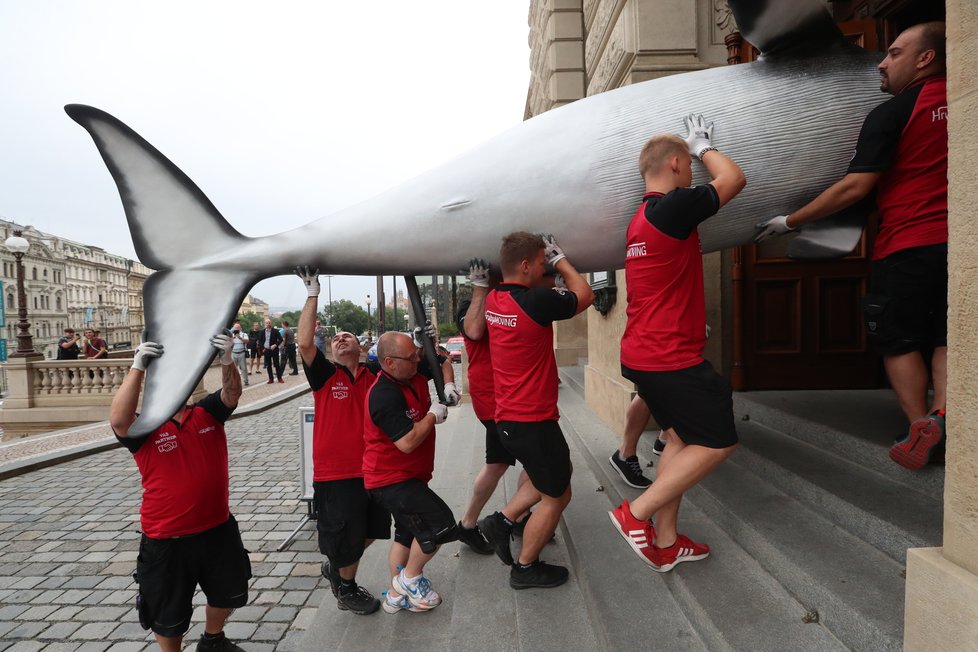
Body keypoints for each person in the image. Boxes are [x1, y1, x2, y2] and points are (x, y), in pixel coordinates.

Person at [754, 22, 948, 470]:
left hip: (907, 245)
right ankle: (943, 421)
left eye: (895, 53)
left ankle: (919, 426)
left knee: (898, 342)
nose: (881, 61)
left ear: (925, 59)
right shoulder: (962, 104)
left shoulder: (893, 113)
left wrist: (790, 220)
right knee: (945, 339)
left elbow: (855, 187)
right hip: (958, 247)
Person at [608, 114, 746, 572]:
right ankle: (637, 515)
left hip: (645, 353)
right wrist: (704, 146)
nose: (692, 174)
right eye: (687, 164)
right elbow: (734, 179)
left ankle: (666, 543)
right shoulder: (674, 206)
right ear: (674, 164)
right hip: (669, 358)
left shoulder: (639, 221)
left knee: (679, 438)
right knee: (718, 441)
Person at [110, 333, 249, 652]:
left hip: (217, 530)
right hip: (168, 539)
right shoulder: (145, 427)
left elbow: (232, 394)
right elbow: (118, 420)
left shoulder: (207, 412)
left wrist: (227, 360)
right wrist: (137, 367)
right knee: (167, 614)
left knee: (228, 592)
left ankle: (213, 639)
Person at [479, 231, 594, 589]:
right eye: (543, 263)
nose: (548, 267)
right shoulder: (537, 302)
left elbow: (538, 293)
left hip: (509, 419)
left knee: (559, 473)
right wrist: (562, 260)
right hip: (533, 421)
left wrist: (549, 276)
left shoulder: (495, 299)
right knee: (558, 495)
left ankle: (502, 521)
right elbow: (586, 295)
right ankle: (525, 568)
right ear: (526, 265)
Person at [294, 267, 387, 615]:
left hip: (375, 468)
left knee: (375, 528)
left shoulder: (375, 377)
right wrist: (312, 294)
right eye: (336, 339)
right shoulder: (324, 376)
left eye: (347, 336)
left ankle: (337, 568)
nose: (341, 339)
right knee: (346, 535)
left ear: (361, 346)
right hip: (337, 474)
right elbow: (304, 342)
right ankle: (346, 588)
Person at [363, 331, 457, 614]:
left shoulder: (411, 370)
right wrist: (433, 414)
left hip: (409, 476)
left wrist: (448, 383)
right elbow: (407, 443)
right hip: (391, 479)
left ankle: (396, 596)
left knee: (405, 534)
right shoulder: (383, 395)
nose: (418, 360)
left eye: (417, 354)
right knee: (440, 526)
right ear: (390, 363)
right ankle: (410, 580)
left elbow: (442, 359)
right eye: (411, 356)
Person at [454, 258, 530, 554]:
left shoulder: (509, 298)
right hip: (497, 403)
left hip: (509, 399)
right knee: (539, 462)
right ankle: (511, 518)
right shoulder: (471, 306)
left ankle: (470, 525)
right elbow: (473, 331)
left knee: (497, 464)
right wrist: (479, 290)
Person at [260, 318, 284, 384]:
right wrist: (263, 348)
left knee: (276, 364)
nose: (268, 324)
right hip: (266, 350)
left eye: (269, 323)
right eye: (267, 323)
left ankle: (279, 378)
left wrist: (275, 345)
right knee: (268, 365)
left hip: (274, 350)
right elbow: (260, 341)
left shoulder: (275, 331)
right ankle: (271, 379)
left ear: (271, 323)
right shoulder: (262, 332)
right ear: (265, 324)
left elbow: (281, 339)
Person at [230, 321, 249, 386]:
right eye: (235, 328)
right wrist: (232, 339)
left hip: (242, 353)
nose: (236, 329)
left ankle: (246, 381)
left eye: (238, 328)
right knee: (233, 369)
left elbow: (247, 341)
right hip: (234, 353)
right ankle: (234, 381)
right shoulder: (231, 335)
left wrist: (240, 337)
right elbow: (228, 344)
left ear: (240, 328)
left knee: (244, 368)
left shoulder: (244, 334)